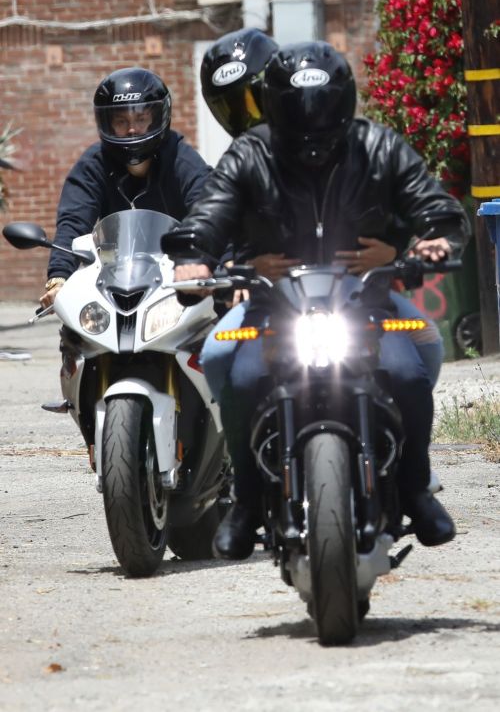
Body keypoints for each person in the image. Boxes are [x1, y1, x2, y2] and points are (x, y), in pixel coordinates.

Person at [172, 41, 470, 560]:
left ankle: (417, 487)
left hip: (367, 303)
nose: (312, 122)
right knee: (234, 371)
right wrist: (195, 257)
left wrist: (428, 241)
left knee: (409, 369)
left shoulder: (378, 146)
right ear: (275, 104)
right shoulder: (251, 153)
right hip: (274, 304)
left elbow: (434, 206)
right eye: (298, 108)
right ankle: (244, 500)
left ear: (344, 101)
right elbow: (210, 213)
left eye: (323, 107)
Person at [200, 28, 445, 393]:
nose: (251, 118)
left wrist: (399, 249)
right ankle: (241, 449)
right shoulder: (242, 161)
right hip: (274, 302)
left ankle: (406, 446)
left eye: (256, 102)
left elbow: (397, 209)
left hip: (358, 298)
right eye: (235, 107)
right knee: (218, 355)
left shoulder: (358, 148)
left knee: (422, 350)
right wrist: (232, 270)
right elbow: (213, 223)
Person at [40, 66, 211, 308]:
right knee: (74, 337)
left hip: (179, 280)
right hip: (113, 283)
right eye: (121, 121)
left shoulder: (181, 160)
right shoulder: (93, 163)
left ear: (157, 117)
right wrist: (58, 278)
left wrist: (218, 262)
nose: (132, 129)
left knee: (219, 328)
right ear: (107, 123)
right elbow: (73, 221)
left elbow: (209, 212)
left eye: (141, 119)